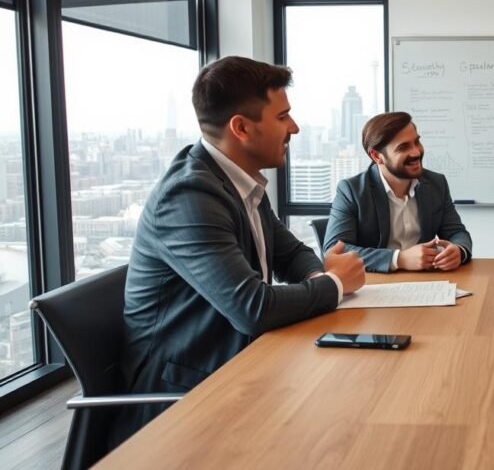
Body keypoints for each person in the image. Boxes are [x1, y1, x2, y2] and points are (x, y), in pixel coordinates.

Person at [111, 56, 366, 445]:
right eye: (283, 117)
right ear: (242, 128)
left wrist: (317, 276)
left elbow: (290, 253)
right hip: (185, 398)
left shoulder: (241, 181)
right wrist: (333, 284)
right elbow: (253, 309)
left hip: (242, 365)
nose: (294, 128)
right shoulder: (189, 195)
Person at [324, 111, 473, 273]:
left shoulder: (436, 183)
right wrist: (399, 259)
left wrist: (459, 250)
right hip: (374, 285)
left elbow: (457, 232)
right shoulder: (351, 190)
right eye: (403, 147)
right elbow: (336, 251)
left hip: (426, 281)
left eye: (417, 142)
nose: (416, 152)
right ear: (376, 156)